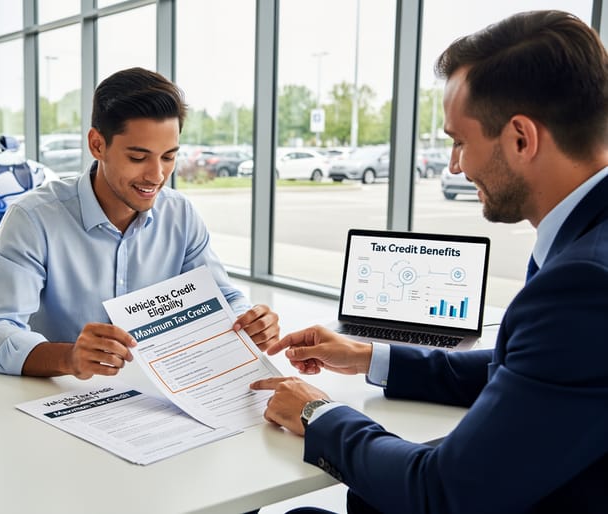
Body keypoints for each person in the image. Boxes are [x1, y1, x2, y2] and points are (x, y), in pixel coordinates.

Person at [251, 10, 608, 513]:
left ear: (521, 138)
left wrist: (317, 412)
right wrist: (368, 357)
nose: (455, 165)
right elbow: (526, 366)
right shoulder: (589, 245)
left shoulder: (584, 285)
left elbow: (440, 492)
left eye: (460, 142)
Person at [0, 67, 280, 377]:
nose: (157, 175)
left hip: (157, 396)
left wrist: (250, 320)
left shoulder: (180, 215)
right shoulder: (33, 219)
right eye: (138, 157)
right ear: (97, 145)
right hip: (60, 395)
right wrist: (70, 358)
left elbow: (225, 299)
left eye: (168, 157)